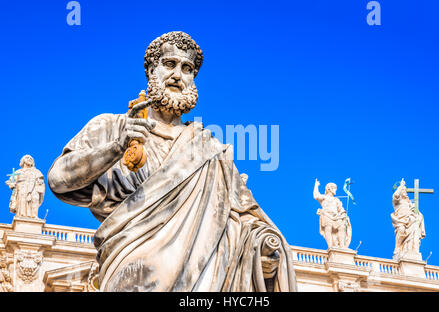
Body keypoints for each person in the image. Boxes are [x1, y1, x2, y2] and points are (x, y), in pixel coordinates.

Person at [48, 31, 297, 292]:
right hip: (132, 271)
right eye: (169, 64)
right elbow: (58, 179)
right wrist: (116, 147)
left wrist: (262, 247)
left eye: (187, 68)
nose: (178, 74)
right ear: (151, 71)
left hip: (203, 281)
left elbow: (245, 218)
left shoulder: (210, 149)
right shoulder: (112, 126)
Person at [391, 179, 425, 260]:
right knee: (401, 230)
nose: (405, 192)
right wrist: (401, 186)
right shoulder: (397, 202)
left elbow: (416, 211)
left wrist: (417, 213)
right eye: (403, 191)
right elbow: (396, 195)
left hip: (410, 221)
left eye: (405, 191)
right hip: (401, 221)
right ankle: (398, 247)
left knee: (414, 229)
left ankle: (411, 249)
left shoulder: (409, 202)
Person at [313, 179, 351, 249]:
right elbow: (316, 196)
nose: (335, 190)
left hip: (336, 216)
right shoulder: (324, 197)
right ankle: (330, 247)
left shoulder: (336, 200)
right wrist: (316, 185)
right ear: (329, 189)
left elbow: (341, 209)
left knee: (342, 227)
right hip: (326, 215)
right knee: (328, 229)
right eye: (334, 188)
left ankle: (342, 246)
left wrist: (344, 215)